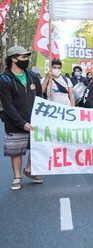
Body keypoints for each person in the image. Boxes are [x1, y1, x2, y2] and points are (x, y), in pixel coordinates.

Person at [0, 46, 44, 191]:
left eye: (27, 57)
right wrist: (21, 123)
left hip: (34, 120)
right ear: (13, 58)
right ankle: (17, 177)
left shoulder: (32, 76)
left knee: (37, 147)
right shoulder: (4, 79)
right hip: (15, 123)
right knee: (16, 151)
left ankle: (29, 170)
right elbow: (8, 106)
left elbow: (39, 98)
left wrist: (42, 116)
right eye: (23, 57)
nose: (26, 60)